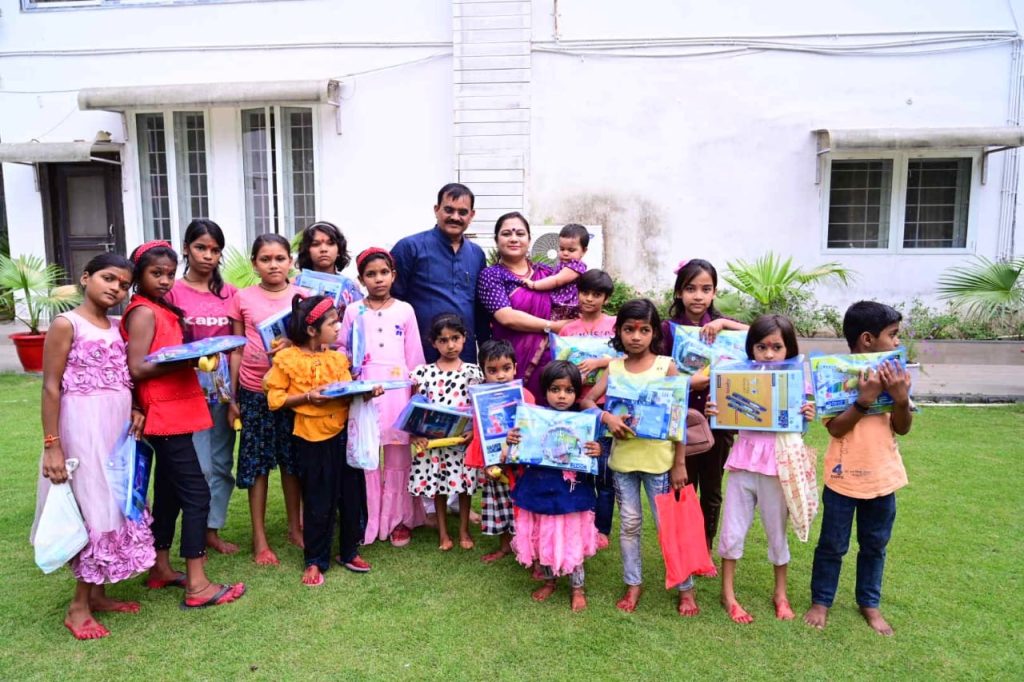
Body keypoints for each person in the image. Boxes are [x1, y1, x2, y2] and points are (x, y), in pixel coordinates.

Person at [32, 253, 155, 640]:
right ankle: (78, 607)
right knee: (94, 508)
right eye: (108, 278)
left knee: (115, 503)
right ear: (86, 278)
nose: (116, 288)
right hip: (83, 431)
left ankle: (97, 594)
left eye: (124, 284)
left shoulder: (118, 326)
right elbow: (50, 387)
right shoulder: (66, 324)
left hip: (116, 432)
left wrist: (136, 407)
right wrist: (52, 445)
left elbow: (124, 377)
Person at [122, 241, 245, 610]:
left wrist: (189, 359)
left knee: (170, 492)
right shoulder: (143, 312)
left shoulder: (161, 308)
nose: (164, 280)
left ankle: (160, 566)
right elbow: (138, 366)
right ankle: (197, 583)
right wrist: (188, 360)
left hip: (175, 408)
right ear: (139, 274)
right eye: (155, 273)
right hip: (164, 413)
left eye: (169, 274)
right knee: (196, 494)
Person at [804, 301, 913, 636]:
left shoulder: (895, 375)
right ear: (867, 339)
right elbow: (836, 429)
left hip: (883, 478)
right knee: (832, 545)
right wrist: (864, 400)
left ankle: (869, 603)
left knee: (875, 545)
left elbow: (903, 427)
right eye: (892, 335)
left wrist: (900, 398)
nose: (897, 342)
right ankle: (821, 601)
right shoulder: (833, 375)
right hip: (843, 478)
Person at [582, 299, 696, 616]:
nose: (636, 336)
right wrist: (607, 418)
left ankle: (686, 587)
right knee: (629, 525)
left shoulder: (666, 366)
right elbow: (588, 400)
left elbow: (678, 418)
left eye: (644, 330)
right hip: (623, 463)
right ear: (619, 331)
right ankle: (633, 583)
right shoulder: (614, 367)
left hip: (659, 463)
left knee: (667, 526)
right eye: (629, 329)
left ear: (653, 333)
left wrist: (680, 463)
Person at [705, 314, 815, 624]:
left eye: (776, 347)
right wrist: (715, 411)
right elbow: (726, 420)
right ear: (751, 349)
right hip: (743, 461)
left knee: (776, 531)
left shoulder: (797, 379)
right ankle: (728, 594)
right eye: (761, 347)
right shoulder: (736, 376)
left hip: (778, 463)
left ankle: (780, 593)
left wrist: (807, 413)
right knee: (732, 528)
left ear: (789, 349)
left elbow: (800, 424)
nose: (768, 354)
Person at [265, 295, 381, 585]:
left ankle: (349, 550)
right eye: (332, 323)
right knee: (318, 499)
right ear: (311, 330)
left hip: (343, 434)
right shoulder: (288, 360)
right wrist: (306, 397)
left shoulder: (337, 358)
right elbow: (274, 399)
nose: (339, 327)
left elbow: (346, 392)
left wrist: (366, 393)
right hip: (310, 438)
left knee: (352, 495)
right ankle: (315, 560)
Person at [661, 259, 749, 567]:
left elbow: (762, 334)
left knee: (711, 490)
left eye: (706, 289)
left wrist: (724, 324)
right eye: (691, 288)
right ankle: (685, 549)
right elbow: (656, 372)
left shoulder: (725, 327)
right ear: (679, 292)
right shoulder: (667, 330)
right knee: (681, 487)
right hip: (680, 422)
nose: (698, 296)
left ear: (714, 293)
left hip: (718, 423)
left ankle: (706, 549)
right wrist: (689, 382)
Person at [339, 247, 425, 547]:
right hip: (364, 392)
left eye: (384, 273)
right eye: (371, 274)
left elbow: (414, 356)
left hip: (398, 391)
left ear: (393, 275)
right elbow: (342, 349)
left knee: (398, 456)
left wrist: (417, 395)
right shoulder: (353, 311)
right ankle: (369, 520)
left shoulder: (405, 310)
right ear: (361, 279)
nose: (378, 279)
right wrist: (349, 377)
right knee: (368, 456)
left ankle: (399, 520)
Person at [227, 234, 305, 565]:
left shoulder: (303, 296)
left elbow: (314, 344)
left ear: (291, 261)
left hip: (293, 391)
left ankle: (295, 527)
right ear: (254, 263)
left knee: (292, 461)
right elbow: (236, 348)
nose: (273, 265)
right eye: (265, 259)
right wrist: (232, 396)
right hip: (254, 390)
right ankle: (259, 537)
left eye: (279, 258)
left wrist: (293, 346)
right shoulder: (242, 298)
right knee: (257, 464)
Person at [164, 219, 239, 555]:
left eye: (215, 250)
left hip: (223, 387)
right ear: (186, 249)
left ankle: (212, 529)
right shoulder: (172, 292)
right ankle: (191, 532)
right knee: (199, 465)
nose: (208, 256)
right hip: (187, 385)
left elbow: (237, 345)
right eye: (200, 248)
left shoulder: (230, 293)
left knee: (222, 464)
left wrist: (234, 395)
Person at [507, 361, 601, 612]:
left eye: (569, 390)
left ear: (577, 393)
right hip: (539, 489)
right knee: (543, 537)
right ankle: (549, 581)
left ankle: (577, 587)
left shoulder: (584, 422)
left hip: (570, 494)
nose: (562, 396)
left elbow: (595, 452)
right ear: (545, 390)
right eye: (555, 389)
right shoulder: (533, 419)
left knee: (571, 537)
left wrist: (597, 450)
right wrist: (512, 440)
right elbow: (515, 454)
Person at [408, 313, 483, 551]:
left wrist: (474, 433)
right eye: (443, 340)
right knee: (438, 487)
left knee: (465, 487)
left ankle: (463, 530)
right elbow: (415, 410)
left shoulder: (473, 372)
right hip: (434, 444)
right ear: (433, 343)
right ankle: (443, 533)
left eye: (455, 338)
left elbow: (479, 409)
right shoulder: (423, 373)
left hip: (462, 442)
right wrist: (416, 434)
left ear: (464, 338)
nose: (450, 345)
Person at [477, 212, 570, 401]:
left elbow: (569, 304)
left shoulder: (548, 274)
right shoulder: (491, 275)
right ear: (496, 240)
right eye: (506, 234)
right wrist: (552, 326)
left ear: (529, 239)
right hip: (510, 363)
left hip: (551, 361)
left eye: (520, 233)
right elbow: (506, 317)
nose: (514, 238)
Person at [391, 183, 488, 363]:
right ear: (436, 210)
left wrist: (486, 352)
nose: (455, 217)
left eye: (462, 212)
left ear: (471, 215)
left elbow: (480, 310)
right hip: (420, 354)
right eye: (449, 210)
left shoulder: (476, 254)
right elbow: (391, 301)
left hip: (463, 357)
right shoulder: (410, 247)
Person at [557, 269, 617, 549]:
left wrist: (599, 362)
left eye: (596, 294)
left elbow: (627, 358)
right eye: (585, 292)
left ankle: (601, 529)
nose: (589, 299)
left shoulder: (616, 325)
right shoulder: (567, 330)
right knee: (578, 467)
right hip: (575, 409)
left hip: (606, 406)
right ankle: (580, 523)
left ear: (606, 298)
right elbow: (560, 367)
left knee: (604, 472)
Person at [464, 339, 535, 563]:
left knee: (523, 507)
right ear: (483, 372)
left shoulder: (526, 396)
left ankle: (527, 549)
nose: (501, 376)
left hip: (520, 466)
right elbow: (479, 433)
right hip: (495, 465)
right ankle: (505, 546)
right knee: (500, 505)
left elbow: (533, 431)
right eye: (492, 370)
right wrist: (486, 463)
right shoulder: (480, 400)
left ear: (515, 368)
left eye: (506, 368)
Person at [519, 223, 589, 320]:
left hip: (566, 308)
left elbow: (556, 280)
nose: (565, 253)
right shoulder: (564, 263)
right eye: (562, 249)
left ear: (584, 251)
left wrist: (534, 285)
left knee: (558, 328)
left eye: (571, 250)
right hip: (558, 305)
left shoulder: (576, 266)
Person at [295, 221, 362, 315]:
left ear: (339, 250)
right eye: (315, 244)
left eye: (330, 243)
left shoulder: (350, 287)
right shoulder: (295, 284)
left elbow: (359, 317)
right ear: (307, 251)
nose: (323, 249)